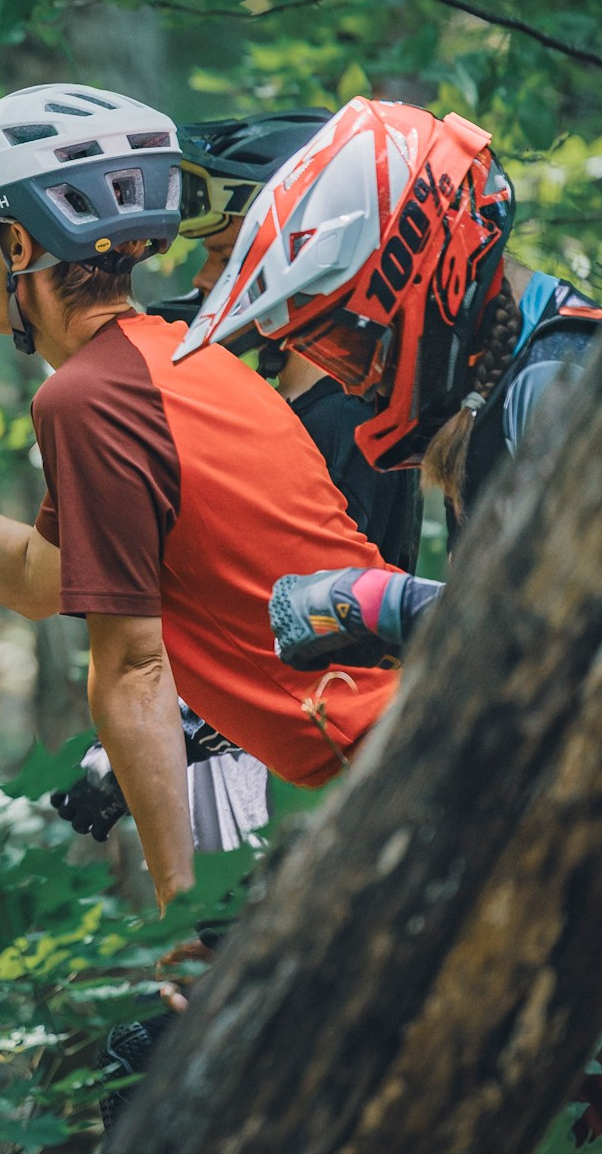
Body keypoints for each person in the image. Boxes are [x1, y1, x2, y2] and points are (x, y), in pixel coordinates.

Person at [0, 82, 401, 910]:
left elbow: (134, 670)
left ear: (17, 240)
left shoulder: (92, 397)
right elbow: (40, 577)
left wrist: (184, 910)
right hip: (386, 743)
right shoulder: (187, 358)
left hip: (357, 780)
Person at [181, 97, 602, 1154]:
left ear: (414, 277)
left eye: (341, 335)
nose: (343, 371)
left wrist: (385, 605)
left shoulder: (559, 387)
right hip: (543, 842)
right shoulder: (507, 385)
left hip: (601, 858)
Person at [55, 109, 425, 849]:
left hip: (307, 775)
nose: (200, 281)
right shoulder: (267, 402)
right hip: (260, 759)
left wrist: (162, 738)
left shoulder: (346, 422)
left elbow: (301, 636)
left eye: (223, 257)